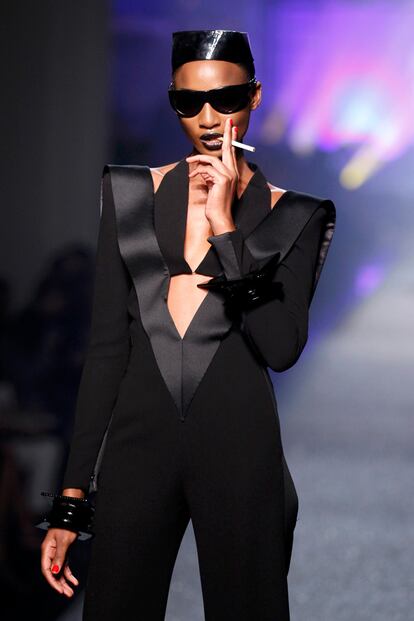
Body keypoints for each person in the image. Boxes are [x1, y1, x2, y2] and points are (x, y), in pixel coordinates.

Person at [38, 29, 336, 620]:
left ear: (254, 97)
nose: (208, 118)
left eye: (227, 100)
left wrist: (227, 232)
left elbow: (279, 349)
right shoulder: (127, 195)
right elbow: (105, 354)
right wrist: (70, 503)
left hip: (240, 444)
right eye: (188, 102)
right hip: (136, 445)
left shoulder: (296, 216)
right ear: (171, 98)